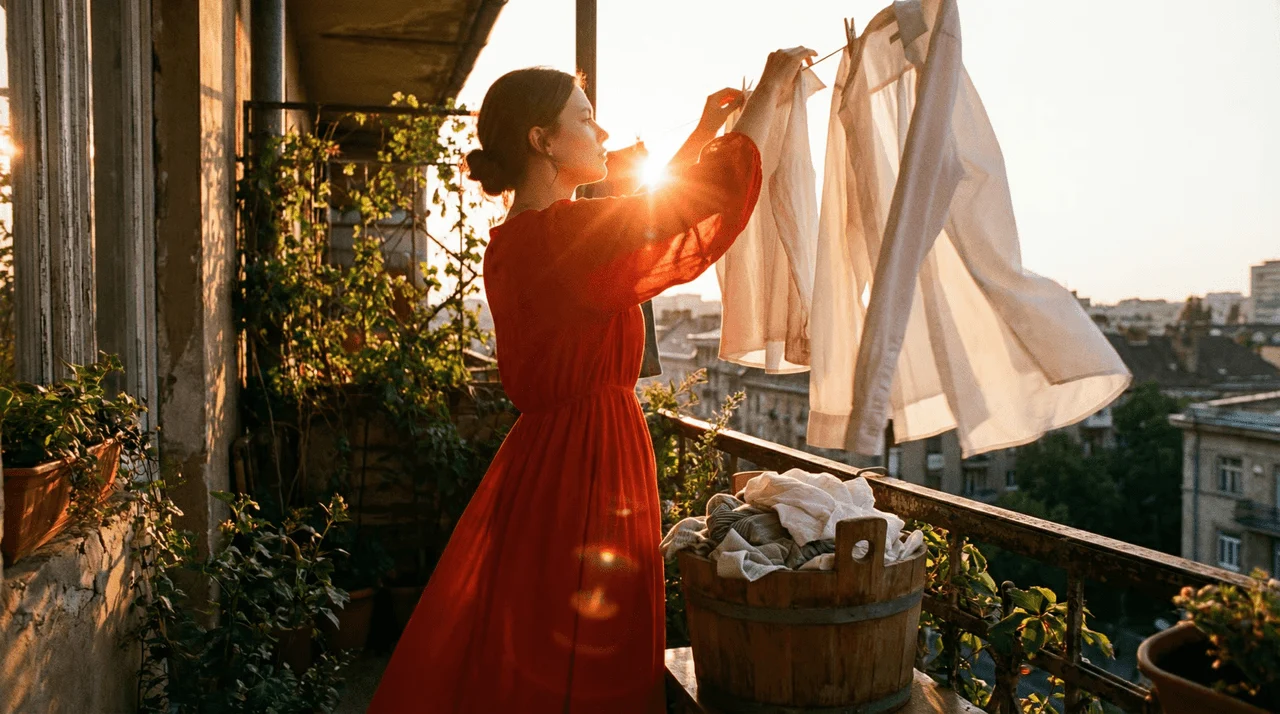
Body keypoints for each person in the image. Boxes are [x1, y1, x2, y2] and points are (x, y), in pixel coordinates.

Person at [368, 47, 815, 714]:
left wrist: (698, 132)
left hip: (543, 461)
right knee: (590, 650)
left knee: (544, 644)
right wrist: (772, 86)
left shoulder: (521, 238)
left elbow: (629, 218)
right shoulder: (562, 237)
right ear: (541, 139)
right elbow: (699, 206)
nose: (603, 133)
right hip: (590, 462)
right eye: (586, 118)